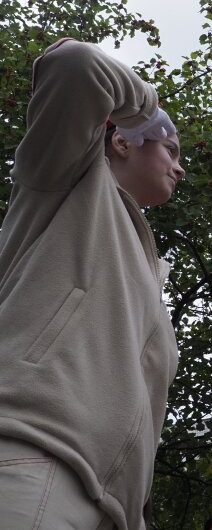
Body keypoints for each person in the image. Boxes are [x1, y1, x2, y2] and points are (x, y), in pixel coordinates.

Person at [0, 39, 185, 528]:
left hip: (109, 506)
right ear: (122, 141)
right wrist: (145, 107)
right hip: (36, 456)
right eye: (169, 147)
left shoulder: (149, 270)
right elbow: (74, 65)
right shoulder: (66, 176)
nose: (180, 166)